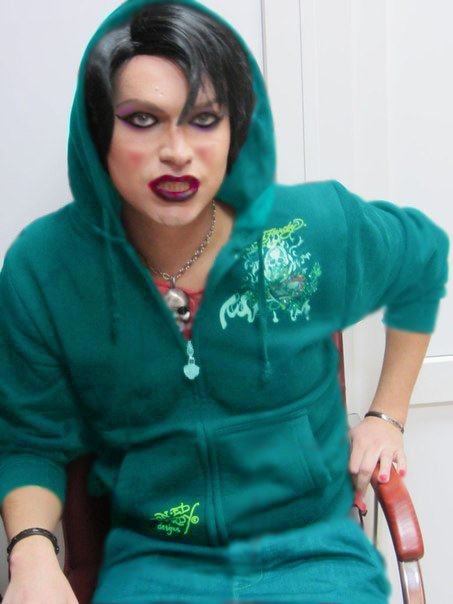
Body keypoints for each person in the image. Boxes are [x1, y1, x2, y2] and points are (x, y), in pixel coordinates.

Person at [0, 0, 449, 602]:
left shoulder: (308, 227)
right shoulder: (47, 269)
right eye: (143, 119)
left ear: (235, 129)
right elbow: (29, 439)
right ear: (98, 131)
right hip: (157, 562)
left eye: (203, 118)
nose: (177, 150)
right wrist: (31, 552)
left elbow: (422, 259)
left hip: (314, 552)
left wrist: (387, 416)